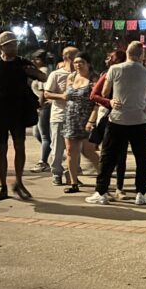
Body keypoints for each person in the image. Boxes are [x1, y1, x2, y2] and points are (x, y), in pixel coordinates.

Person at [0, 31, 44, 201]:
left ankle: (19, 182)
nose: (13, 46)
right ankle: (2, 185)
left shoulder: (22, 63)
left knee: (20, 146)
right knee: (1, 148)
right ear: (1, 47)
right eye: (9, 44)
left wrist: (35, 73)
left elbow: (43, 77)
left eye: (15, 43)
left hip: (18, 112)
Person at [86, 41, 146, 206]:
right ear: (141, 56)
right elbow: (145, 95)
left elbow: (104, 92)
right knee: (141, 158)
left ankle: (101, 192)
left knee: (108, 156)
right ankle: (141, 193)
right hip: (139, 120)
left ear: (127, 53)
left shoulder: (115, 70)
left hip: (118, 119)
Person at [89, 49, 128, 200]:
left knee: (121, 155)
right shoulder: (108, 73)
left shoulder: (130, 74)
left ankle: (119, 188)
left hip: (126, 117)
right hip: (109, 116)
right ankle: (103, 189)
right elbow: (94, 95)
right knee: (108, 154)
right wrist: (109, 102)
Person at [61, 55, 99, 193]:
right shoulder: (71, 77)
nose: (78, 65)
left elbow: (97, 102)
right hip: (71, 117)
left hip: (87, 118)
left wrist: (91, 120)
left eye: (81, 62)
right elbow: (66, 95)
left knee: (89, 150)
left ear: (88, 63)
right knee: (71, 151)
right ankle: (73, 183)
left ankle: (102, 179)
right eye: (76, 62)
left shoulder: (94, 78)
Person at [43, 45, 79, 186]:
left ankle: (72, 174)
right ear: (67, 58)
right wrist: (62, 96)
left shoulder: (80, 75)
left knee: (75, 149)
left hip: (75, 117)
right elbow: (47, 93)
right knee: (57, 148)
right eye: (76, 56)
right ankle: (56, 173)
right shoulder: (56, 74)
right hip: (59, 115)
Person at [30, 50, 52, 173]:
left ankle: (43, 162)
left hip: (43, 106)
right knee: (37, 133)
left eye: (36, 59)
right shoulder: (42, 71)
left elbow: (43, 91)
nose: (34, 61)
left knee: (44, 135)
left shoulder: (43, 71)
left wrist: (40, 105)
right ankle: (53, 152)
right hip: (40, 106)